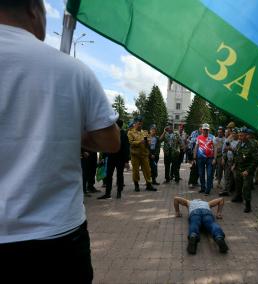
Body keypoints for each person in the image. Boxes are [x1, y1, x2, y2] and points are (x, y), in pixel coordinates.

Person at [0, 1, 120, 282]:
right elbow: (111, 140)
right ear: (34, 9)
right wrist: (67, 130)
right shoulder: (72, 70)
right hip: (56, 238)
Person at [98, 119, 130, 199]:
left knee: (119, 175)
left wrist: (126, 161)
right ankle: (107, 193)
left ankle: (119, 192)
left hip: (120, 159)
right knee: (109, 175)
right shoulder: (111, 134)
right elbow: (107, 145)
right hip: (111, 158)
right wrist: (104, 157)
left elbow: (126, 148)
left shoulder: (123, 134)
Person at [232, 127, 258, 212]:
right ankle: (239, 197)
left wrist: (248, 170)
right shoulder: (239, 144)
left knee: (246, 187)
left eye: (242, 136)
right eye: (239, 135)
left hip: (247, 170)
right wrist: (234, 164)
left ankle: (248, 205)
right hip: (239, 168)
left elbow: (256, 161)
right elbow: (237, 155)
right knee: (238, 184)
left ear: (247, 135)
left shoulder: (252, 145)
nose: (240, 137)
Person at [128, 116, 157, 192]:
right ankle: (136, 185)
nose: (140, 125)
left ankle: (149, 184)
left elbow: (149, 142)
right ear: (135, 124)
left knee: (147, 170)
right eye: (138, 123)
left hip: (144, 154)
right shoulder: (130, 132)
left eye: (141, 124)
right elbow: (131, 142)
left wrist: (148, 142)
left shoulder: (145, 132)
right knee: (136, 171)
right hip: (135, 155)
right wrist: (140, 142)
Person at [193, 123, 216, 195]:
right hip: (200, 158)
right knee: (201, 173)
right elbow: (196, 147)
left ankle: (208, 190)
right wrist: (194, 157)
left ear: (208, 130)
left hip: (210, 158)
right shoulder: (199, 137)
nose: (205, 131)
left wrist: (215, 158)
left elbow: (215, 148)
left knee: (209, 174)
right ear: (202, 130)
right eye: (204, 130)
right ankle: (203, 188)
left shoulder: (212, 137)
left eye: (207, 130)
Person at [219, 128, 239, 196]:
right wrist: (223, 158)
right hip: (228, 160)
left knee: (236, 177)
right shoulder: (230, 141)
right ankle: (226, 191)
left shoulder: (239, 142)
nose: (233, 135)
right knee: (227, 176)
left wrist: (231, 149)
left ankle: (237, 192)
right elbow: (224, 150)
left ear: (237, 134)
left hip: (236, 162)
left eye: (234, 133)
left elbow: (239, 152)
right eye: (232, 133)